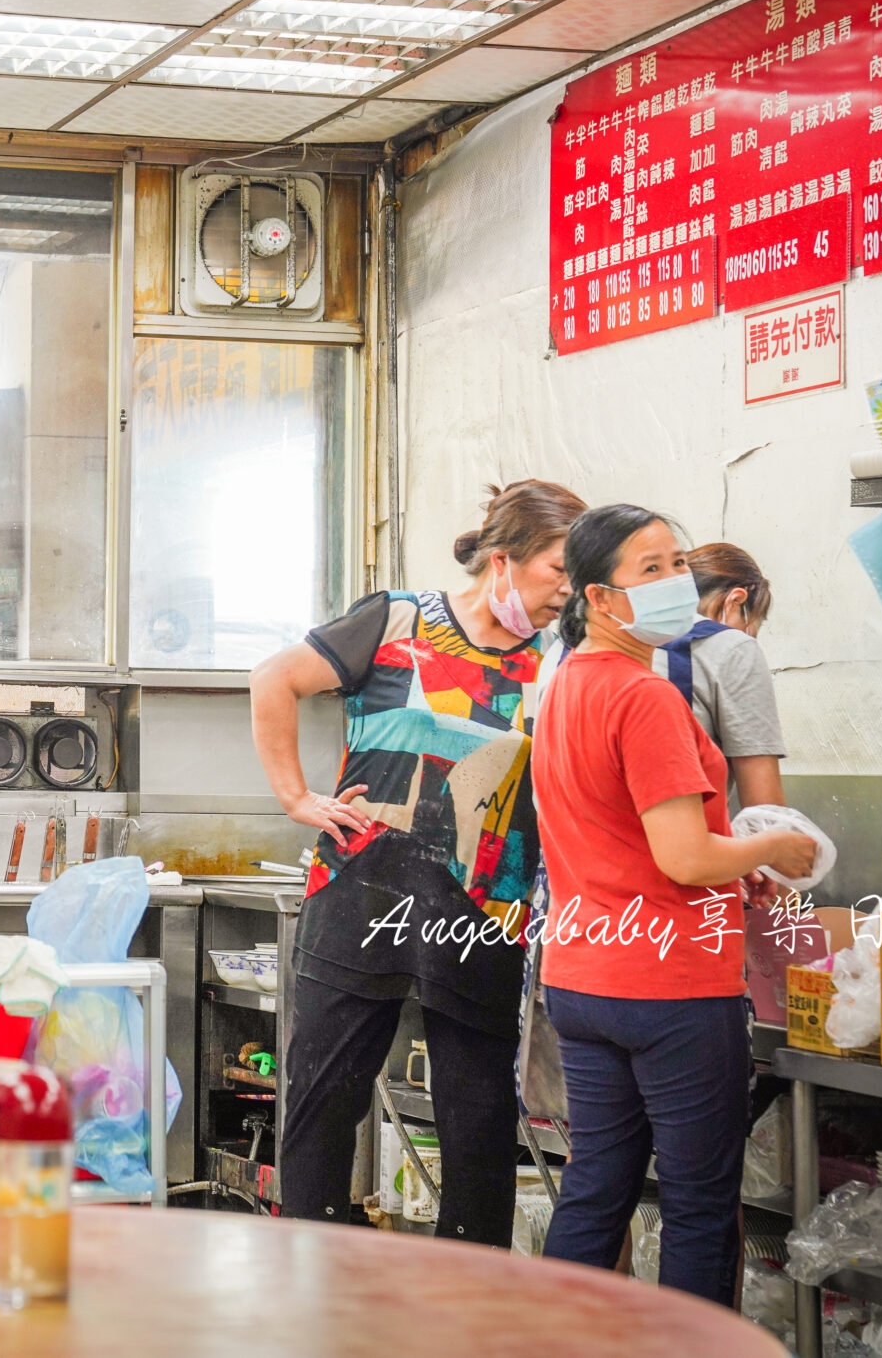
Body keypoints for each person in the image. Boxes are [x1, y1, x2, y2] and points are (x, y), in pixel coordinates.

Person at [250, 479, 586, 1244]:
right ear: (503, 559)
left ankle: (468, 1307)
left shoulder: (561, 658)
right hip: (359, 892)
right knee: (325, 1098)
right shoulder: (395, 618)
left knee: (478, 1123)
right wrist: (297, 796)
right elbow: (273, 678)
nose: (566, 590)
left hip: (484, 909)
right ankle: (310, 1275)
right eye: (557, 570)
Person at [531, 505, 819, 1304]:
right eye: (649, 568)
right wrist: (768, 849)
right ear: (602, 596)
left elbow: (626, 838)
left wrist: (734, 865)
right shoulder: (645, 695)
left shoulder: (563, 685)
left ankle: (552, 1338)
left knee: (595, 1187)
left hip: (584, 979)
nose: (674, 582)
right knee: (697, 1205)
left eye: (677, 562)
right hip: (672, 988)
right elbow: (685, 856)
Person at [667, 542, 786, 811]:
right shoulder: (734, 648)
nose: (751, 636)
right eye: (754, 624)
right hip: (692, 843)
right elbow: (764, 809)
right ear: (737, 600)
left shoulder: (609, 641)